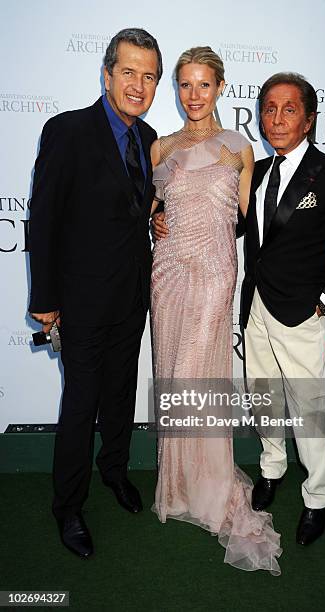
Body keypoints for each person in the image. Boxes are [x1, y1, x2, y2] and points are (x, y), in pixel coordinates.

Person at [28, 28, 162, 558]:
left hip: (132, 297)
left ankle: (115, 473)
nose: (138, 84)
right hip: (80, 301)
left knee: (119, 393)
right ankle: (68, 507)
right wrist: (44, 298)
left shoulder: (151, 140)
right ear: (106, 75)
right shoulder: (67, 130)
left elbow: (138, 209)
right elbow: (44, 219)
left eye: (148, 76)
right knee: (81, 405)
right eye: (128, 72)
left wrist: (161, 218)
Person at [150, 47, 281, 573]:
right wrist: (154, 222)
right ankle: (178, 487)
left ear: (221, 88)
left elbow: (252, 222)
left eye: (204, 85)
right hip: (167, 273)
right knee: (171, 372)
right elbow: (155, 208)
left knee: (197, 376)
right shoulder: (160, 147)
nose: (193, 95)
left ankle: (210, 489)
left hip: (213, 271)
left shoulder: (238, 148)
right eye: (184, 85)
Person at [241, 72, 325, 545]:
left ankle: (317, 498)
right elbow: (244, 233)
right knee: (263, 397)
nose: (276, 118)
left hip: (302, 314)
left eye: (289, 109)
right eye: (269, 108)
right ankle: (272, 468)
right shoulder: (256, 172)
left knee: (310, 412)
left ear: (309, 119)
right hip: (256, 306)